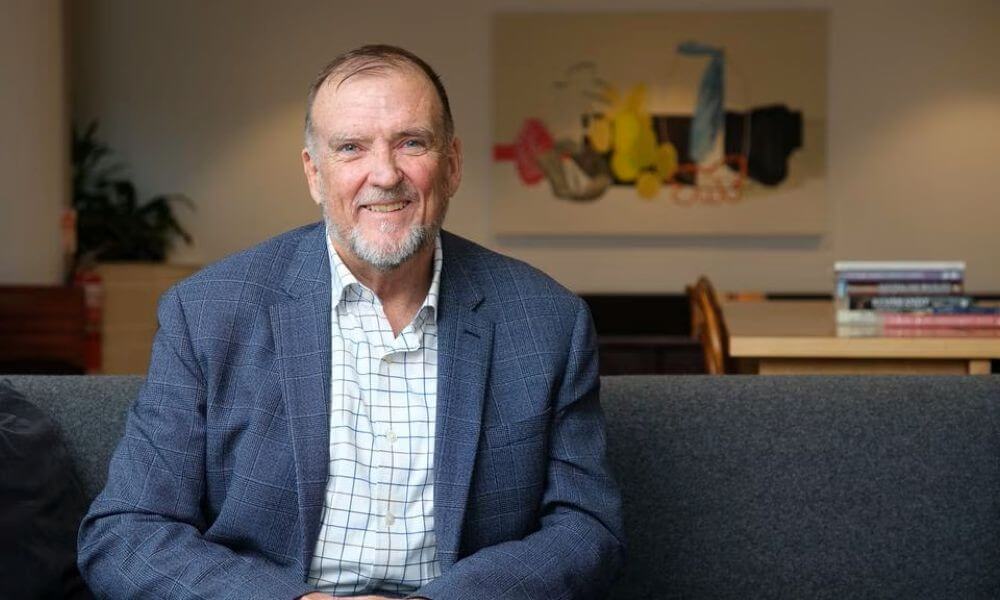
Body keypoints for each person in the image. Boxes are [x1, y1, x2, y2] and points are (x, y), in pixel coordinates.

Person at [78, 44, 624, 600]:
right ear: (314, 174)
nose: (384, 174)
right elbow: (127, 533)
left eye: (412, 142)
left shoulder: (547, 322)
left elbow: (586, 530)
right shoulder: (207, 314)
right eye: (350, 148)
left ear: (453, 164)